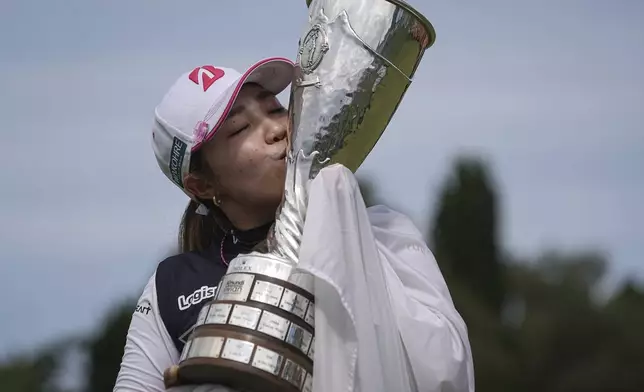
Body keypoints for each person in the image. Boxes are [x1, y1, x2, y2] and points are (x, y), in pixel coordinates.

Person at [114, 57, 474, 392]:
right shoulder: (173, 285)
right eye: (240, 129)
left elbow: (445, 371)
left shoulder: (385, 238)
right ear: (202, 185)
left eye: (275, 109)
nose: (276, 129)